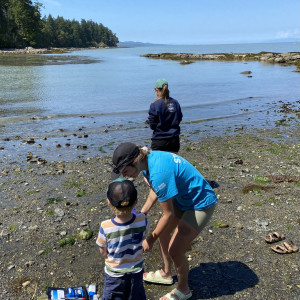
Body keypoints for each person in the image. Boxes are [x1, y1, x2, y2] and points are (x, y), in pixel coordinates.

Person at [111, 142, 218, 300]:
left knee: (175, 250)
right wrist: (142, 213)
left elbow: (168, 213)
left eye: (125, 171)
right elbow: (155, 190)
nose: (125, 176)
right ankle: (166, 272)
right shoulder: (148, 161)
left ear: (134, 162)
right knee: (164, 233)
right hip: (183, 198)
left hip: (200, 203)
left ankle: (184, 289)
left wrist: (150, 239)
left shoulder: (159, 172)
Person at [96, 178, 149, 300]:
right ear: (136, 202)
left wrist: (107, 254)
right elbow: (143, 236)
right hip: (136, 269)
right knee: (135, 296)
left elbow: (103, 251)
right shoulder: (142, 219)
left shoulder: (106, 226)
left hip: (115, 273)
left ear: (109, 202)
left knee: (113, 296)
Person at [148, 79, 183, 153]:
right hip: (174, 140)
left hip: (159, 140)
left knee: (156, 164)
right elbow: (179, 118)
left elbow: (152, 125)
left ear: (156, 90)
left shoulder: (155, 105)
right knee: (171, 163)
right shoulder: (175, 103)